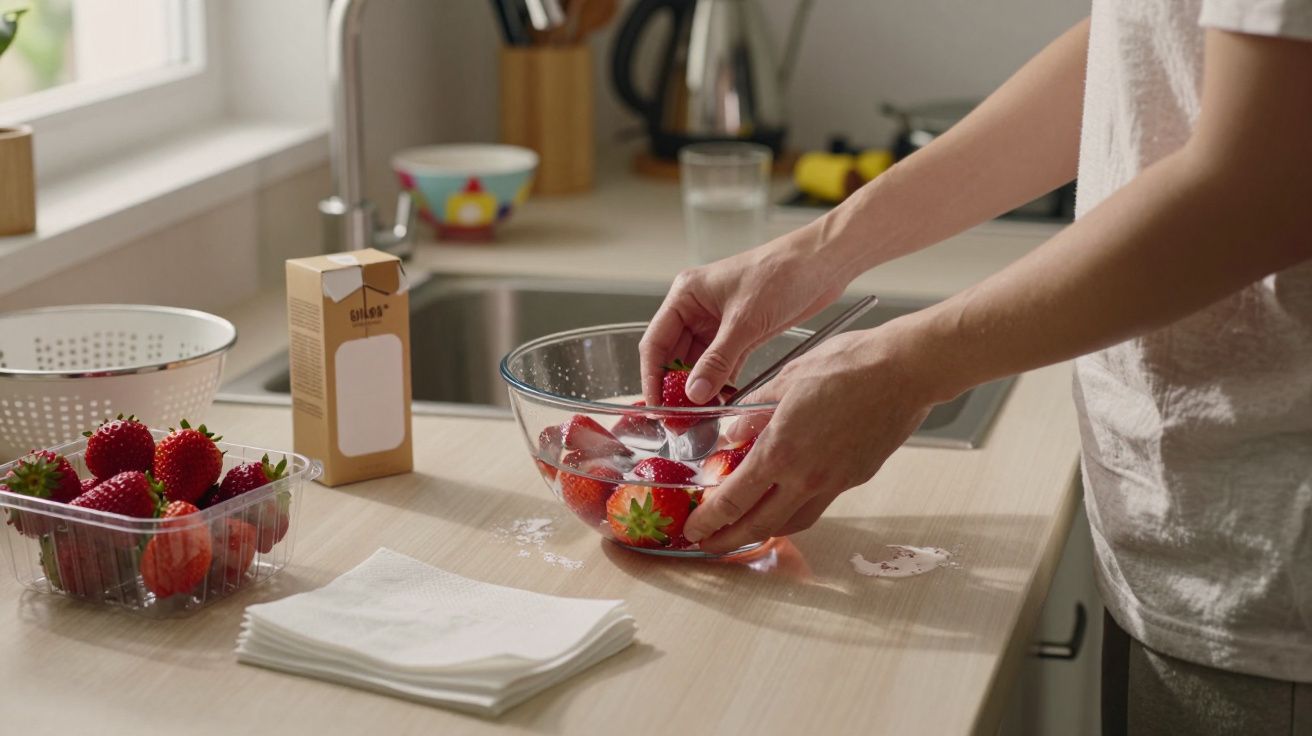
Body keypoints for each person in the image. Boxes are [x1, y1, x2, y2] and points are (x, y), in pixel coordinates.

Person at [639, 1, 1312, 732]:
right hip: (1183, 538)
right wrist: (817, 250)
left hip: (1273, 568)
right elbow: (1140, 45)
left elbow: (1265, 182)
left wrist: (905, 366)